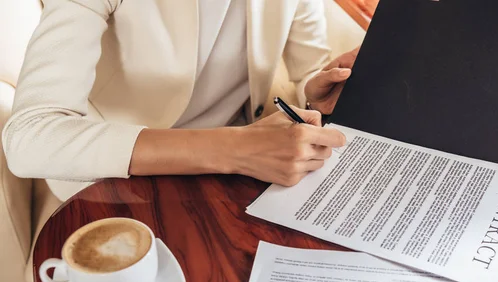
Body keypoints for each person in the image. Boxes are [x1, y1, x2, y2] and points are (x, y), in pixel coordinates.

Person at [2, 0, 359, 198]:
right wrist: (234, 148)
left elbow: (307, 70)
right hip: (119, 170)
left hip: (243, 165)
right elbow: (31, 138)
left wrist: (317, 91)